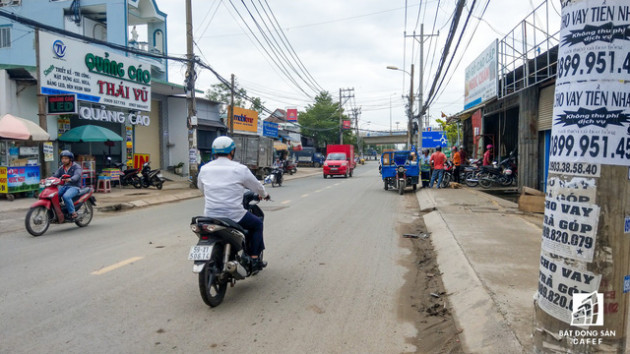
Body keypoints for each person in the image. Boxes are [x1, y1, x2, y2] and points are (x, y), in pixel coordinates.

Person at [197, 136, 270, 274]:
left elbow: (202, 188)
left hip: (210, 216)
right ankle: (254, 258)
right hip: (234, 216)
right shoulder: (240, 169)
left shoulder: (205, 169)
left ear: (214, 152)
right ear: (232, 152)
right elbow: (257, 186)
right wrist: (265, 195)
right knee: (257, 224)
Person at [52, 150, 83, 219]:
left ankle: (73, 213)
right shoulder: (61, 168)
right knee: (55, 195)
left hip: (74, 187)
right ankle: (59, 210)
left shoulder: (76, 167)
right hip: (65, 186)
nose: (64, 160)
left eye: (66, 158)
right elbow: (55, 175)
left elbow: (77, 175)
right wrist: (46, 179)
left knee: (66, 196)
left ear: (70, 159)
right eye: (62, 158)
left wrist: (71, 179)